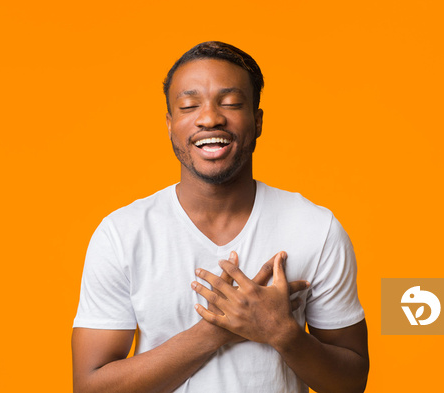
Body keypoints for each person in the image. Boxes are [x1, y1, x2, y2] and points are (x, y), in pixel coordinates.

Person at [72, 41, 369, 393]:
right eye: (189, 105)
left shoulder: (316, 229)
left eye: (231, 103)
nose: (210, 117)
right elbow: (91, 388)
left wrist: (282, 332)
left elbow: (351, 382)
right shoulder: (122, 235)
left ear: (257, 121)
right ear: (170, 124)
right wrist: (215, 331)